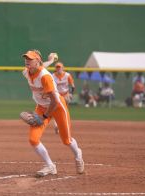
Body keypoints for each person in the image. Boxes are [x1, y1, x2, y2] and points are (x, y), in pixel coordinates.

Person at [22, 49, 84, 177]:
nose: (27, 61)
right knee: (33, 139)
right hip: (41, 107)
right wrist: (50, 60)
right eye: (26, 58)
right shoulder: (27, 72)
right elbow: (41, 66)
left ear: (37, 61)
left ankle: (78, 155)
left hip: (57, 107)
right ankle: (50, 166)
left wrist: (44, 117)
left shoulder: (45, 77)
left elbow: (55, 101)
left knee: (66, 140)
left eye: (30, 59)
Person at [44, 60, 75, 134]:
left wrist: (71, 94)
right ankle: (57, 126)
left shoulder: (67, 75)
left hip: (66, 95)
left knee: (64, 111)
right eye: (57, 67)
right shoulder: (53, 76)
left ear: (63, 68)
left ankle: (63, 126)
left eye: (59, 67)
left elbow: (73, 86)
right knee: (55, 111)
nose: (58, 68)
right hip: (57, 95)